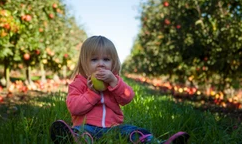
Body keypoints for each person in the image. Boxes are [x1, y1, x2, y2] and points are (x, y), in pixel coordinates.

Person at [50, 35, 189, 144]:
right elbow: (74, 108)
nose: (101, 64)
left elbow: (127, 98)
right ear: (84, 63)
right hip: (87, 126)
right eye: (94, 60)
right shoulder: (78, 83)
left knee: (133, 131)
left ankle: (155, 142)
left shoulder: (115, 81)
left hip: (113, 128)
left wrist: (114, 83)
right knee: (80, 131)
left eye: (106, 59)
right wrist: (92, 93)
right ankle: (75, 139)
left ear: (113, 62)